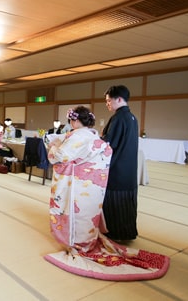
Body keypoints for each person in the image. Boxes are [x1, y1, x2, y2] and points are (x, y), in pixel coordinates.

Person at [44, 106, 169, 281]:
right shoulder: (93, 135)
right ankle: (87, 240)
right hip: (93, 185)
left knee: (76, 214)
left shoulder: (78, 136)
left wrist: (52, 147)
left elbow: (59, 157)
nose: (70, 123)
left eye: (71, 120)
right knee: (88, 214)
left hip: (77, 185)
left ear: (75, 120)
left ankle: (78, 244)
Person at [101, 85, 139, 241]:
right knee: (127, 204)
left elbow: (109, 144)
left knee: (115, 201)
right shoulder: (132, 117)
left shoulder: (118, 118)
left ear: (119, 99)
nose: (107, 104)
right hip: (129, 169)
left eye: (109, 100)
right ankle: (128, 233)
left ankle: (115, 234)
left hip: (117, 169)